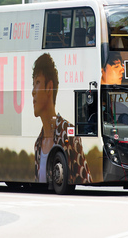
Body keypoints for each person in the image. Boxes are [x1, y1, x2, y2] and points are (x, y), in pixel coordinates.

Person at [32, 53, 92, 184]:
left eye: (37, 82)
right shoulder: (37, 144)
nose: (32, 91)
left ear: (49, 87)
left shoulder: (68, 133)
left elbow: (84, 178)